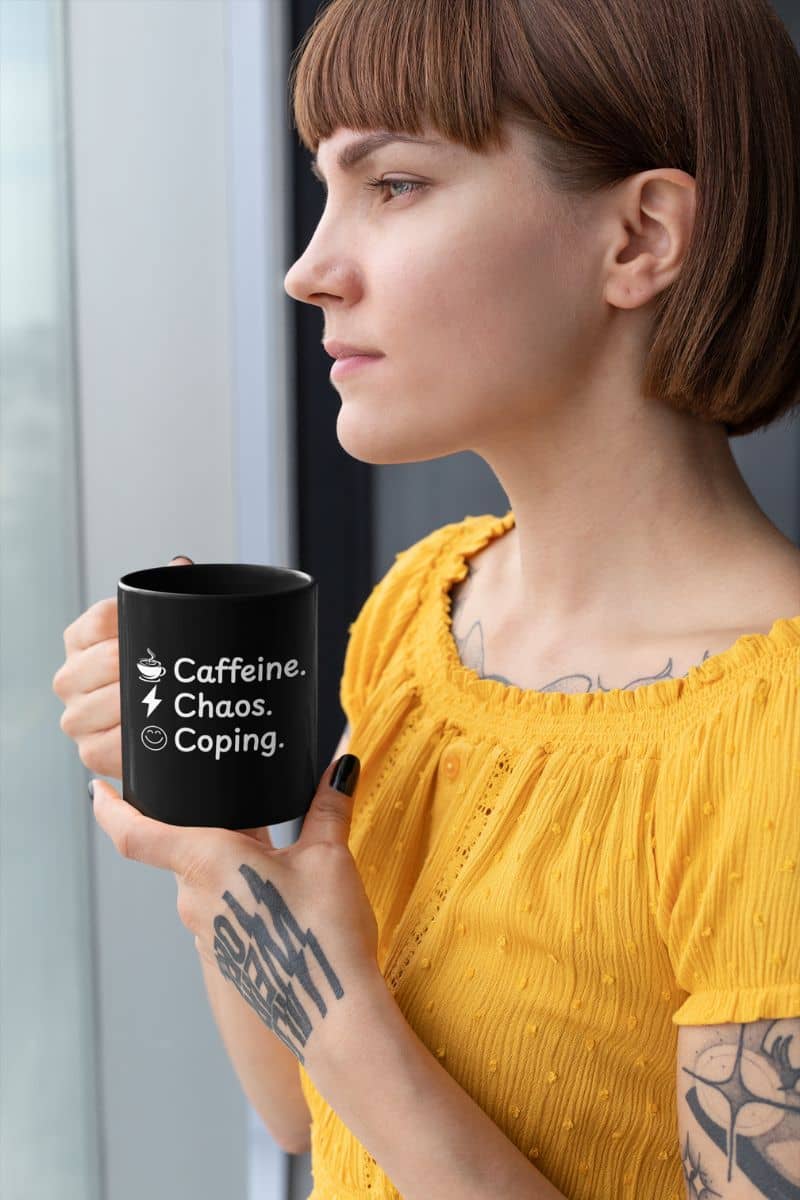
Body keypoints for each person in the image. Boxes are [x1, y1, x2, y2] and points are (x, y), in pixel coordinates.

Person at [55, 0, 800, 1197]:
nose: (308, 270)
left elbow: (336, 1049)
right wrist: (220, 829)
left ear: (638, 237)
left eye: (392, 184)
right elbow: (297, 1109)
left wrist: (339, 1010)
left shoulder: (777, 743)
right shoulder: (429, 605)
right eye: (325, 188)